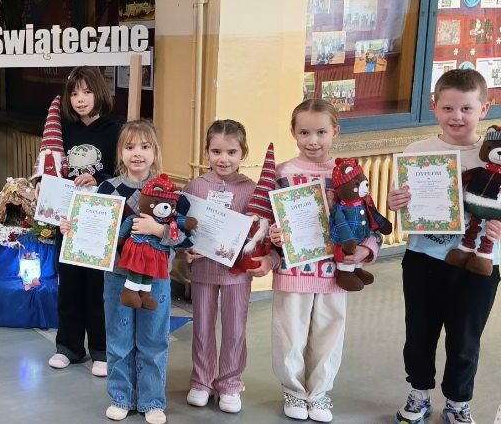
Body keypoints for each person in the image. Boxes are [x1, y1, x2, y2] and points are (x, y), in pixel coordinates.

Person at [388, 69, 500, 424]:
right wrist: (396, 201)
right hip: (424, 258)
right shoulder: (417, 152)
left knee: (465, 337)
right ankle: (419, 394)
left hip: (480, 263)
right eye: (448, 108)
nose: (457, 117)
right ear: (434, 105)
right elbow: (402, 202)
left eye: (467, 109)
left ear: (486, 107)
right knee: (419, 331)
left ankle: (458, 401)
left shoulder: (493, 157)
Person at [267, 99, 380, 422]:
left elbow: (369, 219)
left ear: (335, 132)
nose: (312, 140)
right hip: (294, 269)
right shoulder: (284, 173)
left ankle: (318, 393)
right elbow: (270, 218)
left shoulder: (347, 174)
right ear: (293, 132)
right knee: (290, 332)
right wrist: (274, 235)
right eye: (304, 132)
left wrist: (366, 250)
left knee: (329, 331)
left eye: (321, 132)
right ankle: (293, 390)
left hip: (336, 272)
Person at [62, 120, 179, 423]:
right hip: (117, 276)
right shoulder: (107, 188)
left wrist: (158, 229)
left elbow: (185, 235)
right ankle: (120, 396)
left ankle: (152, 400)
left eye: (144, 146)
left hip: (156, 279)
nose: (137, 154)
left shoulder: (168, 190)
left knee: (153, 340)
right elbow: (92, 226)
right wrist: (73, 228)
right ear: (120, 152)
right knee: (119, 338)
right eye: (129, 147)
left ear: (155, 152)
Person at [181, 120, 274, 414]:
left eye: (231, 152)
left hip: (237, 274)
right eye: (216, 151)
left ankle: (231, 383)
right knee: (203, 327)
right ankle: (202, 380)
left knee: (235, 328)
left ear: (243, 153)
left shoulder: (252, 190)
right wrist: (186, 251)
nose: (224, 159)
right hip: (203, 270)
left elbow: (260, 231)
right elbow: (182, 229)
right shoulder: (195, 186)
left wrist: (267, 259)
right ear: (206, 152)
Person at [48, 66, 123, 378]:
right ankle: (69, 347)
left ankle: (102, 351)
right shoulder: (64, 128)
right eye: (74, 93)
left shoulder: (115, 129)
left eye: (86, 91)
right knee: (70, 286)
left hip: (100, 220)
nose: (80, 99)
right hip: (68, 219)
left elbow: (125, 170)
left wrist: (100, 177)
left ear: (99, 92)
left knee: (98, 288)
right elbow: (51, 165)